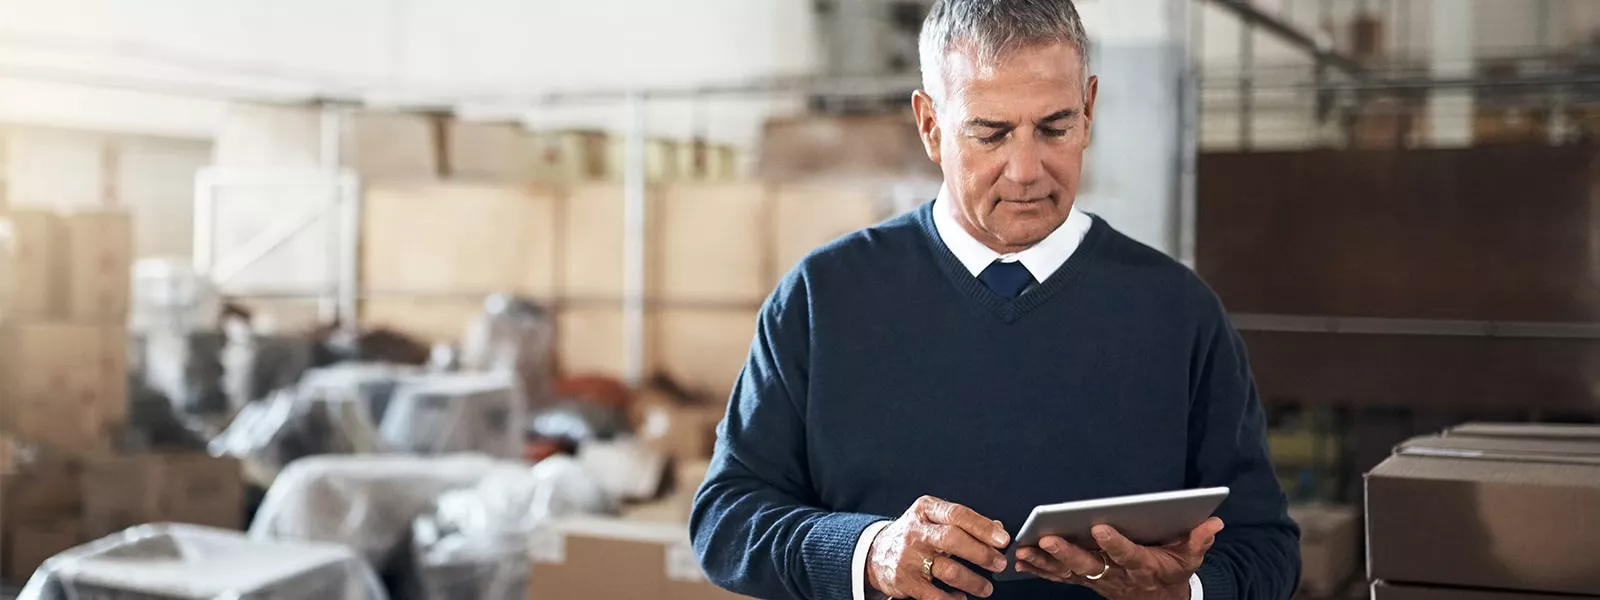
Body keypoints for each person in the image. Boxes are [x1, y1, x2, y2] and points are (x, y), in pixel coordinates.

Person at [689, 0, 1300, 598]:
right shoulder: (821, 299)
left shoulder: (1180, 313)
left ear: (1088, 111)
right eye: (991, 133)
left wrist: (1186, 590)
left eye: (1054, 127)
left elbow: (1267, 548)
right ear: (931, 125)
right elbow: (725, 519)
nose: (1026, 169)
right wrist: (868, 552)